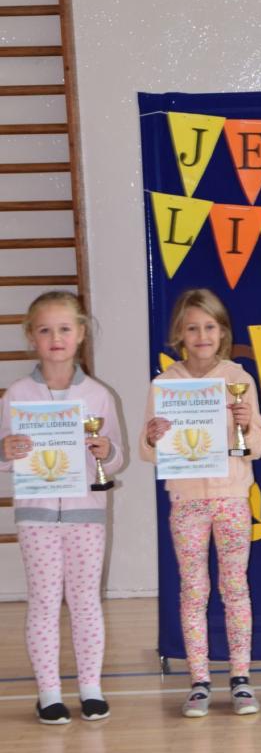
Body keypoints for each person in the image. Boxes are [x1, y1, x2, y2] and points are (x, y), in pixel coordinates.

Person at [141, 288, 261, 718]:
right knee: (193, 590)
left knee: (235, 588)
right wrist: (153, 437)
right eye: (192, 328)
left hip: (232, 498)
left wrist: (247, 424)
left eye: (209, 327)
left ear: (222, 332)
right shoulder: (164, 385)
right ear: (179, 333)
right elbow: (146, 451)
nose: (201, 336)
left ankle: (240, 678)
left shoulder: (238, 378)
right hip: (187, 502)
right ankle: (199, 681)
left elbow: (259, 444)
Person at [0, 291, 125, 724]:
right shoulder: (17, 394)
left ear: (81, 334)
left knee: (86, 601)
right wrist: (6, 450)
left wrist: (107, 450)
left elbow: (117, 458)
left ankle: (91, 688)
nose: (56, 338)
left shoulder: (98, 395)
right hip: (36, 515)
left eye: (65, 329)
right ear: (31, 337)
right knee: (44, 602)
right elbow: (3, 454)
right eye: (45, 330)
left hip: (86, 514)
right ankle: (49, 693)